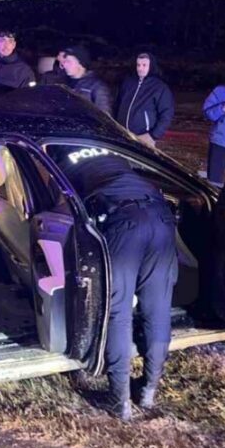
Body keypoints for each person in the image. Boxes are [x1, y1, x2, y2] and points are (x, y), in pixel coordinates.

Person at [58, 150, 178, 422]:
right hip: (161, 217)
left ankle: (119, 399)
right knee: (158, 310)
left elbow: (62, 209)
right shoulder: (110, 150)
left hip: (124, 223)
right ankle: (148, 391)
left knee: (117, 312)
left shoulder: (63, 161)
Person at [114, 52, 175, 148]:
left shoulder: (160, 88)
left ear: (151, 66)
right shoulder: (128, 82)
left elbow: (167, 114)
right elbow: (117, 104)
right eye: (138, 65)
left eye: (144, 65)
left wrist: (153, 135)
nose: (140, 68)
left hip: (143, 137)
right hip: (122, 134)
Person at [61, 45, 112, 115]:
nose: (64, 65)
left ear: (81, 63)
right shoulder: (64, 83)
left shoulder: (97, 87)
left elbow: (105, 118)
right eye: (64, 62)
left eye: (68, 61)